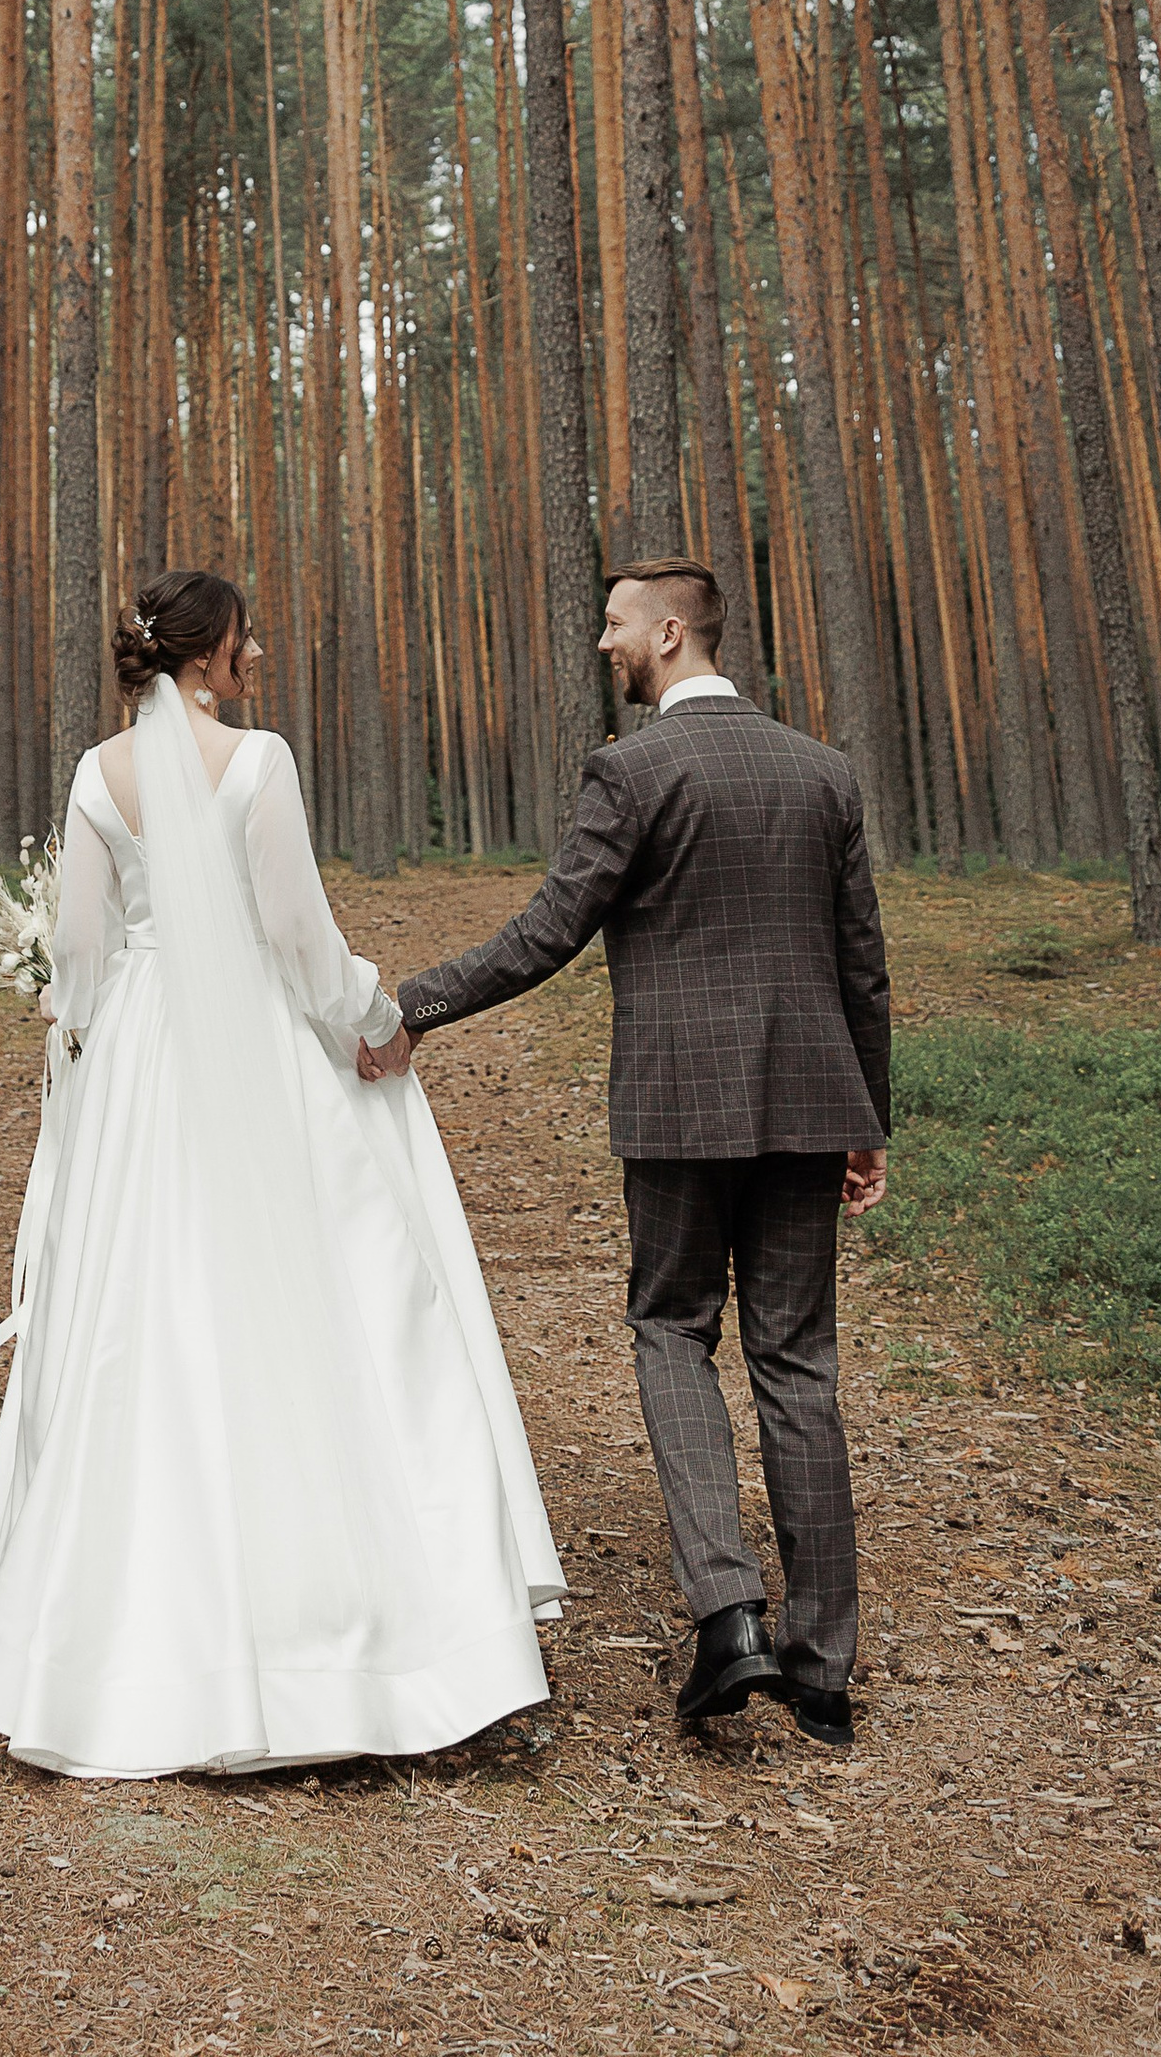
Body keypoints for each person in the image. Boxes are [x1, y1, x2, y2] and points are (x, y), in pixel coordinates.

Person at [0, 565, 563, 1778]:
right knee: (316, 1303)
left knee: (145, 1313)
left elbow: (77, 948)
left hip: (139, 1062)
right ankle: (352, 1643)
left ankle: (123, 1639)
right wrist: (369, 1015)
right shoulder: (259, 762)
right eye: (243, 643)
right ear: (204, 660)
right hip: (259, 1057)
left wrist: (81, 1039)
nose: (255, 659)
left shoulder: (94, 776)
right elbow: (292, 931)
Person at [366, 556, 891, 1750]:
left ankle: (728, 1620)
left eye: (613, 627)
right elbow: (862, 964)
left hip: (677, 1110)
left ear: (667, 631)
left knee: (670, 1329)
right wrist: (866, 1115)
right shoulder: (824, 774)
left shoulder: (636, 770)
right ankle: (822, 1670)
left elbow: (550, 929)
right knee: (798, 1362)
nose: (603, 645)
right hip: (812, 1101)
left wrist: (414, 1006)